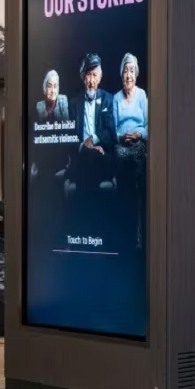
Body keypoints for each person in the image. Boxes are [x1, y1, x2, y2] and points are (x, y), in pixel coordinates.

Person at [113, 53, 149, 249]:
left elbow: (148, 125)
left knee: (138, 159)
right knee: (122, 157)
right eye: (126, 71)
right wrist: (121, 137)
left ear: (136, 74)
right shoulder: (116, 98)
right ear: (121, 74)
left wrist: (138, 134)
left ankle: (139, 235)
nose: (129, 75)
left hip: (139, 143)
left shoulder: (142, 95)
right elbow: (114, 127)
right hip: (122, 145)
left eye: (132, 71)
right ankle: (125, 233)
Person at [72, 53, 117, 195]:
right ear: (82, 77)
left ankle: (83, 209)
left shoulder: (108, 100)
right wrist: (82, 146)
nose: (91, 80)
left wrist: (93, 139)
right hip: (81, 155)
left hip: (102, 155)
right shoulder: (74, 103)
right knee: (87, 156)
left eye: (94, 75)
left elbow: (110, 132)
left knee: (92, 158)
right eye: (88, 75)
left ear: (100, 78)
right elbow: (70, 134)